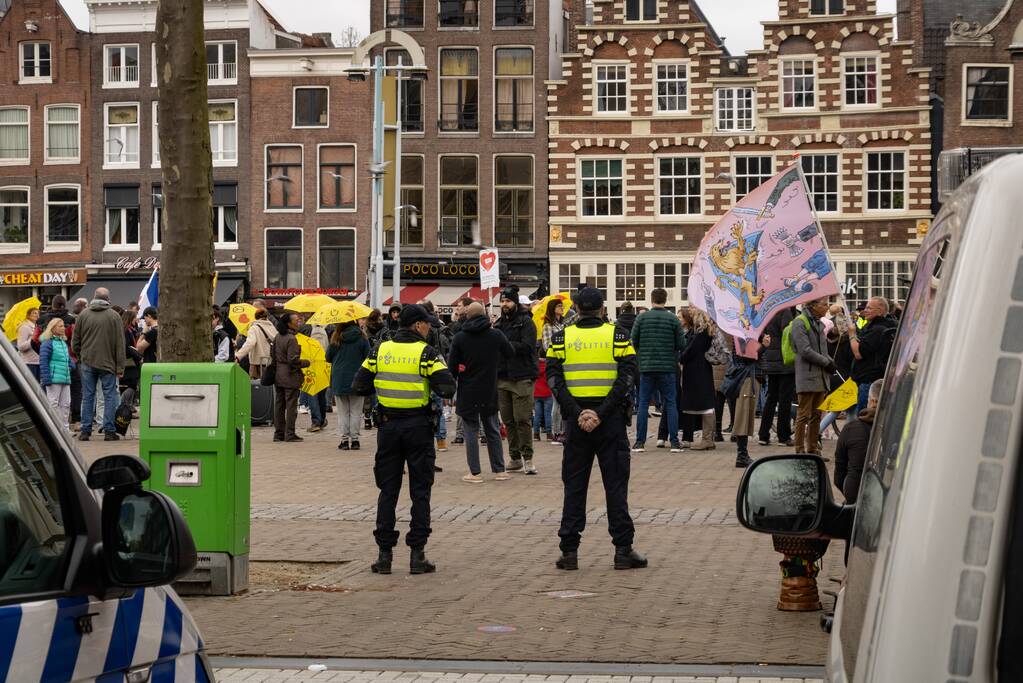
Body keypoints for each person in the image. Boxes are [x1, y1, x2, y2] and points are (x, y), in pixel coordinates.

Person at [546, 286, 646, 571]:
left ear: (576, 309)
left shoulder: (562, 337)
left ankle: (569, 552)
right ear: (602, 309)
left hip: (577, 423)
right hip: (609, 421)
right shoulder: (617, 336)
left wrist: (577, 413)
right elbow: (628, 377)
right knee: (616, 486)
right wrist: (601, 413)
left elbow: (553, 378)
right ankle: (623, 551)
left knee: (574, 486)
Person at [352, 304, 456, 575]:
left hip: (388, 429)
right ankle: (417, 555)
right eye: (427, 324)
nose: (430, 328)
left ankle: (384, 556)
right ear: (418, 325)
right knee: (420, 491)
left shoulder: (380, 350)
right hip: (418, 428)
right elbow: (447, 386)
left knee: (388, 490)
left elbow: (359, 384)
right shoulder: (427, 353)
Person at [447, 301, 515, 483]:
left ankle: (475, 473)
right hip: (490, 388)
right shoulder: (496, 335)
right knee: (492, 428)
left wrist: (450, 385)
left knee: (471, 431)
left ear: (467, 316)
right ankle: (499, 470)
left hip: (468, 389)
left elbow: (452, 367)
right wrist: (495, 363)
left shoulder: (460, 337)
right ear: (485, 315)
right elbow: (510, 353)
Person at [630, 288, 685, 452]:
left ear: (651, 299)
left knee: (643, 404)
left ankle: (640, 442)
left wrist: (643, 354)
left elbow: (634, 340)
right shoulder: (673, 320)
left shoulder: (641, 318)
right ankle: (674, 442)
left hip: (646, 367)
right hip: (668, 367)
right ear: (665, 300)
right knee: (671, 403)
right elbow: (681, 344)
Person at [72, 287, 126, 442]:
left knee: (88, 396)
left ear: (94, 297)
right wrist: (120, 366)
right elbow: (119, 344)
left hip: (87, 362)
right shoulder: (114, 316)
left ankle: (85, 431)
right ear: (108, 299)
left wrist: (81, 356)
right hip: (108, 363)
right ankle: (109, 431)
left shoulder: (83, 315)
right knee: (109, 396)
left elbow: (75, 341)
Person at [494, 286, 539, 474]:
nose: (505, 304)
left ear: (515, 303)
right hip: (502, 377)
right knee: (508, 421)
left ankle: (528, 458)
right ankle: (514, 457)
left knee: (522, 419)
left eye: (508, 301)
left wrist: (505, 345)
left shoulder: (526, 322)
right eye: (502, 301)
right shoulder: (497, 324)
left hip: (522, 377)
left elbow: (528, 346)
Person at [790, 297, 836, 455]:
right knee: (803, 415)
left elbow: (822, 351)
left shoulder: (820, 323)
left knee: (816, 415)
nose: (827, 307)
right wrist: (826, 362)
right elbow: (804, 350)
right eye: (824, 304)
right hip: (807, 376)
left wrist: (830, 362)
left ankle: (813, 448)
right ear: (813, 306)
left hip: (820, 376)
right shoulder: (800, 322)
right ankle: (799, 450)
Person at [835, 378, 882, 503]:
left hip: (856, 496)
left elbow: (839, 477)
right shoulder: (900, 429)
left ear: (872, 401)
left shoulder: (851, 429)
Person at [849, 297, 898, 415]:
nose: (865, 310)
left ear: (880, 311)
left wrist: (851, 334)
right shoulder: (889, 326)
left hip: (869, 382)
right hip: (878, 379)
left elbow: (859, 353)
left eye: (869, 308)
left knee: (864, 419)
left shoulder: (877, 329)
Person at [327, 321, 370, 450]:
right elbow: (368, 356)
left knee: (343, 412)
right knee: (356, 412)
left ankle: (344, 440)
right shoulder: (362, 337)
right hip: (358, 378)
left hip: (339, 378)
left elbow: (328, 357)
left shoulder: (336, 337)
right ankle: (355, 440)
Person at [757, 306, 796, 447]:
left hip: (771, 360)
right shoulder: (784, 311)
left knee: (771, 399)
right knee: (784, 400)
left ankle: (763, 434)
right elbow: (788, 333)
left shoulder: (768, 310)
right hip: (784, 361)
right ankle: (783, 436)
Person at [679, 308, 718, 450]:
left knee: (705, 404)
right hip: (702, 370)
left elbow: (691, 349)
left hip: (697, 370)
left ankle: (707, 439)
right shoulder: (705, 330)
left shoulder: (701, 332)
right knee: (704, 404)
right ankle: (708, 438)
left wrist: (681, 358)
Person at [272, 312, 310, 443]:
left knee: (279, 405)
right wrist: (306, 362)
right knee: (291, 406)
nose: (298, 322)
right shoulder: (291, 339)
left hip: (278, 375)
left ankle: (278, 433)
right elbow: (293, 360)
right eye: (296, 320)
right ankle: (290, 433)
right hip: (290, 376)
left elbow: (273, 356)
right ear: (289, 323)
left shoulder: (277, 337)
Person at [721, 349, 759, 468]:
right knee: (743, 418)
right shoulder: (743, 334)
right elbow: (747, 356)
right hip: (745, 377)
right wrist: (762, 347)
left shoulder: (748, 333)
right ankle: (741, 455)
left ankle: (743, 454)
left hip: (750, 377)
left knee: (746, 418)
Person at [39, 318, 75, 429]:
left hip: (65, 378)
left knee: (66, 404)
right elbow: (43, 361)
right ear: (53, 328)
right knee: (53, 404)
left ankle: (65, 428)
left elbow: (67, 358)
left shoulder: (63, 342)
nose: (63, 328)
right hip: (54, 378)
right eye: (60, 326)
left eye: (63, 325)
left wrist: (71, 365)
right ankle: (55, 428)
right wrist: (46, 378)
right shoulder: (47, 343)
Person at [540, 299, 566, 443]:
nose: (561, 308)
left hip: (564, 363)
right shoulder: (548, 326)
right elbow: (547, 346)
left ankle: (562, 430)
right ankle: (555, 431)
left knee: (562, 400)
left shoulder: (563, 324)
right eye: (558, 306)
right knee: (556, 400)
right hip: (554, 363)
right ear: (552, 308)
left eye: (562, 305)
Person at [236, 309, 277, 380]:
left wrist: (238, 356)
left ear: (255, 317)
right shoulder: (272, 328)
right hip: (271, 363)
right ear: (266, 316)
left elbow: (250, 343)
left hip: (257, 364)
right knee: (270, 388)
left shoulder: (254, 328)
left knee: (256, 387)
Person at [304, 322, 330, 433]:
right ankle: (322, 419)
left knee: (313, 394)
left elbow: (315, 350)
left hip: (313, 366)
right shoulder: (324, 331)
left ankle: (316, 421)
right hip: (323, 366)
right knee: (321, 394)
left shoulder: (316, 332)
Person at [120, 310, 143, 392]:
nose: (136, 320)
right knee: (131, 384)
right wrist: (138, 357)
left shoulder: (131, 330)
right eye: (135, 318)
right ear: (130, 319)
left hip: (132, 361)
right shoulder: (126, 330)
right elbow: (127, 347)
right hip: (129, 362)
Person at [16, 308, 40, 380]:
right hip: (29, 363)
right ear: (28, 315)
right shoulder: (24, 327)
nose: (37, 315)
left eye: (38, 313)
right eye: (34, 313)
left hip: (38, 361)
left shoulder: (37, 327)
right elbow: (20, 347)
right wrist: (32, 340)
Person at [533, 357, 554, 441]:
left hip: (536, 392)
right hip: (547, 392)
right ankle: (549, 435)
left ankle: (536, 434)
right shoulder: (549, 365)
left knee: (537, 415)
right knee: (547, 414)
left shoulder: (535, 365)